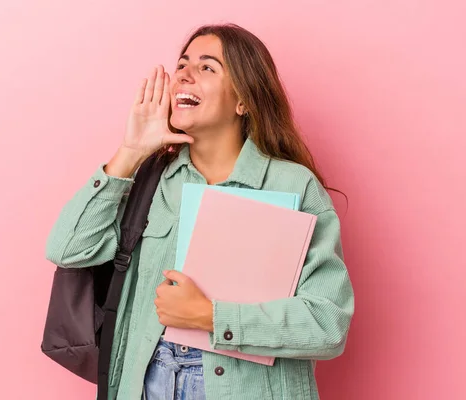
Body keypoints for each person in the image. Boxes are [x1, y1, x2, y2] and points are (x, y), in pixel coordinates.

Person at [45, 23, 355, 400]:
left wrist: (211, 317)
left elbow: (328, 324)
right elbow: (67, 249)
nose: (185, 75)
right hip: (148, 382)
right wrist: (130, 151)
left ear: (243, 100)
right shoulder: (149, 179)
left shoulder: (293, 185)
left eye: (207, 67)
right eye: (182, 65)